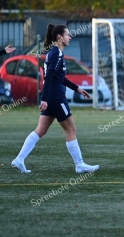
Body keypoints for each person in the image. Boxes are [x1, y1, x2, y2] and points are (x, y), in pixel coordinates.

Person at [11, 24, 99, 174]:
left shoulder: (55, 53)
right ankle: (79, 164)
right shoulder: (56, 53)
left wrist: (77, 88)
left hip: (52, 96)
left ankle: (19, 159)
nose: (70, 37)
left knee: (41, 130)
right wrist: (44, 99)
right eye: (67, 34)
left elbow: (60, 77)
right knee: (71, 129)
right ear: (59, 37)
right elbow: (49, 77)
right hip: (56, 97)